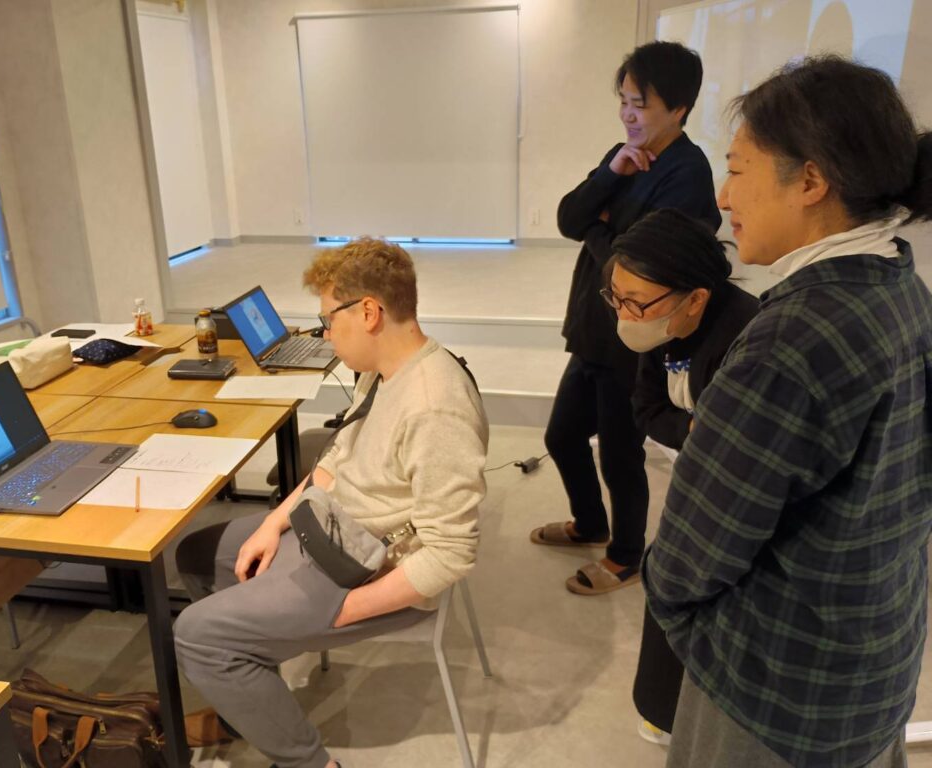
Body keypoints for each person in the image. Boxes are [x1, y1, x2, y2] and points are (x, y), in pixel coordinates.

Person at [643, 56, 932, 768]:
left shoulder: (790, 339)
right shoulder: (901, 284)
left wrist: (689, 626)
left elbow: (691, 552)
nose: (723, 195)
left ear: (810, 181)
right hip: (873, 663)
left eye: (737, 169)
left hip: (776, 693)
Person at [173, 237, 489, 768]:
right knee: (198, 555)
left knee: (197, 636)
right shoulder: (383, 369)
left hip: (364, 570)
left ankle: (310, 762)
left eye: (327, 320)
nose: (324, 334)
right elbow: (337, 459)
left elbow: (451, 553)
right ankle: (247, 693)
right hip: (328, 528)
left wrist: (345, 611)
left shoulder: (435, 406)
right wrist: (273, 524)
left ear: (368, 312)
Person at [531, 41, 721, 595]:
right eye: (624, 101)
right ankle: (590, 524)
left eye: (641, 104)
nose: (628, 115)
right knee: (562, 436)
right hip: (595, 326)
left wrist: (599, 228)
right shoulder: (624, 155)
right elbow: (569, 218)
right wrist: (607, 179)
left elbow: (639, 264)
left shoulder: (688, 174)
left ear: (679, 109)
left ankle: (625, 556)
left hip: (635, 340)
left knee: (619, 455)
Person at [597, 208, 758, 740]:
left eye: (636, 303)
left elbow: (734, 443)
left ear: (696, 298)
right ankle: (663, 713)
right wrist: (694, 429)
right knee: (667, 584)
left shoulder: (747, 336)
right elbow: (647, 409)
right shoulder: (662, 328)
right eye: (616, 298)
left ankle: (693, 719)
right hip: (694, 475)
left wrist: (696, 432)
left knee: (696, 593)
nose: (625, 314)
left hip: (732, 494)